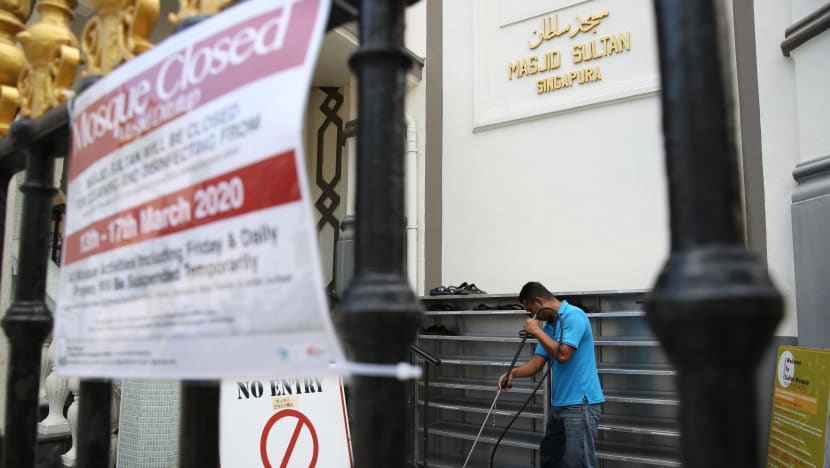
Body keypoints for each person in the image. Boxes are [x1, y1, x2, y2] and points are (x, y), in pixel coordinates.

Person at [497, 281, 604, 467]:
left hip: (580, 404)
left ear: (539, 301)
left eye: (530, 310)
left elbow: (563, 354)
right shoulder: (550, 327)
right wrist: (512, 372)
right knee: (551, 458)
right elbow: (536, 364)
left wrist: (537, 331)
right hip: (559, 405)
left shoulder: (574, 316)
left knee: (578, 463)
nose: (531, 315)